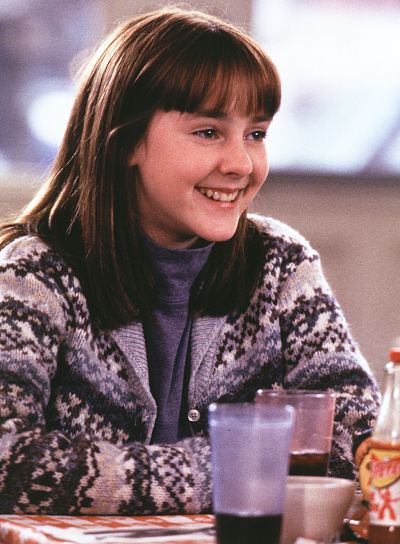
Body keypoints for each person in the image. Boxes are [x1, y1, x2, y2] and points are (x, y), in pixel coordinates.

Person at [0, 7, 379, 515]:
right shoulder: (33, 277)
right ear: (126, 140)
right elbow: (6, 461)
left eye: (256, 134)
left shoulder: (281, 266)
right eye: (208, 132)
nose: (241, 164)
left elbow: (362, 444)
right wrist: (224, 470)